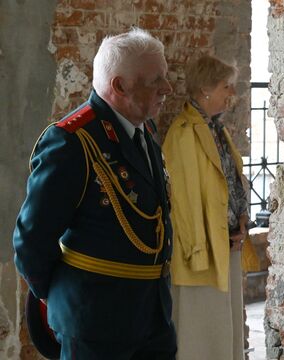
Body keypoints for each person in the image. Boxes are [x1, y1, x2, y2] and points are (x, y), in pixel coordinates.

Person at [12, 28, 176, 359]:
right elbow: (31, 241)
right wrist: (63, 297)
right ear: (119, 86)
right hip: (95, 321)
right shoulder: (72, 141)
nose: (167, 88)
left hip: (151, 315)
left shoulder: (144, 129)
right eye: (155, 80)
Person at [163, 54, 254, 360]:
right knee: (200, 335)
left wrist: (241, 218)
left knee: (222, 330)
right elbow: (182, 203)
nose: (232, 94)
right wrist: (197, 250)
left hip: (225, 243)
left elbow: (231, 179)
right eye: (226, 87)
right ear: (205, 89)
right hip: (201, 252)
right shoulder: (184, 133)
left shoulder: (215, 128)